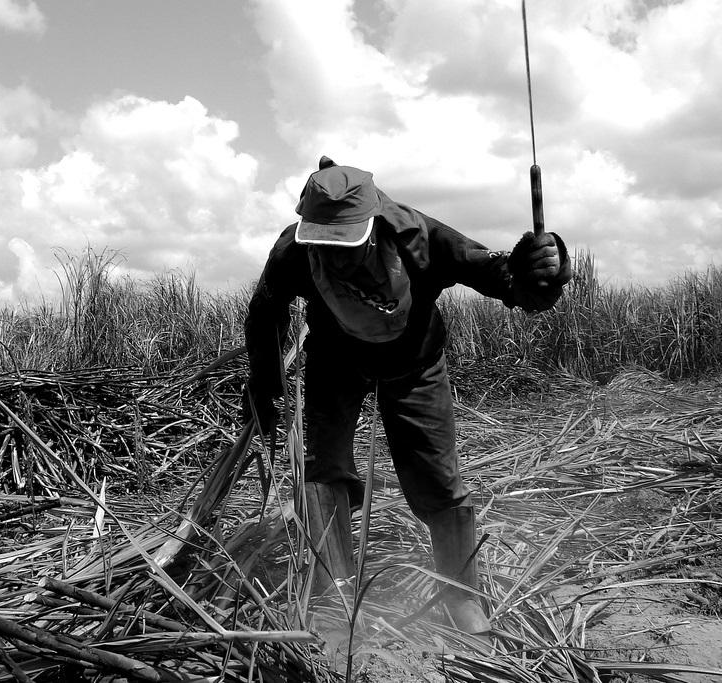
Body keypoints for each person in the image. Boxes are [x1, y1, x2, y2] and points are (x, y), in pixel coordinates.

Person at [243, 156, 571, 637]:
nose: (335, 257)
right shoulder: (296, 250)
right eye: (324, 244)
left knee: (438, 478)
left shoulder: (421, 239)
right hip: (336, 362)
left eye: (346, 245)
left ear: (373, 226)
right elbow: (264, 313)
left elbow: (502, 277)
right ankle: (334, 590)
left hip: (414, 363)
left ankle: (460, 596)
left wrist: (540, 270)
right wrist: (265, 387)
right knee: (321, 470)